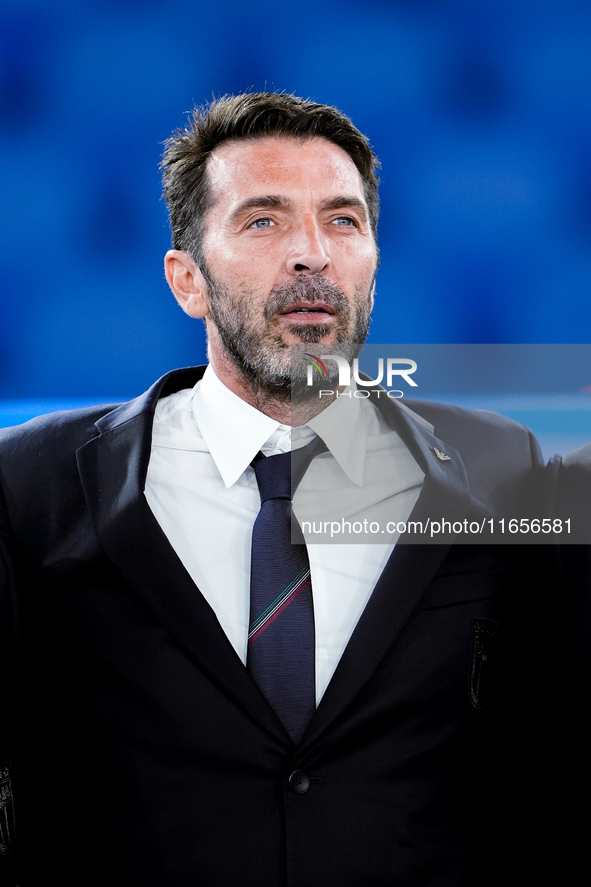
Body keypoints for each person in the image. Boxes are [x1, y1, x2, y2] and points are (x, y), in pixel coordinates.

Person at [0, 93, 558, 886]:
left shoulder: (502, 468)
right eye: (263, 221)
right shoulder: (30, 486)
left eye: (342, 221)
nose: (311, 254)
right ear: (186, 279)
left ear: (372, 265)